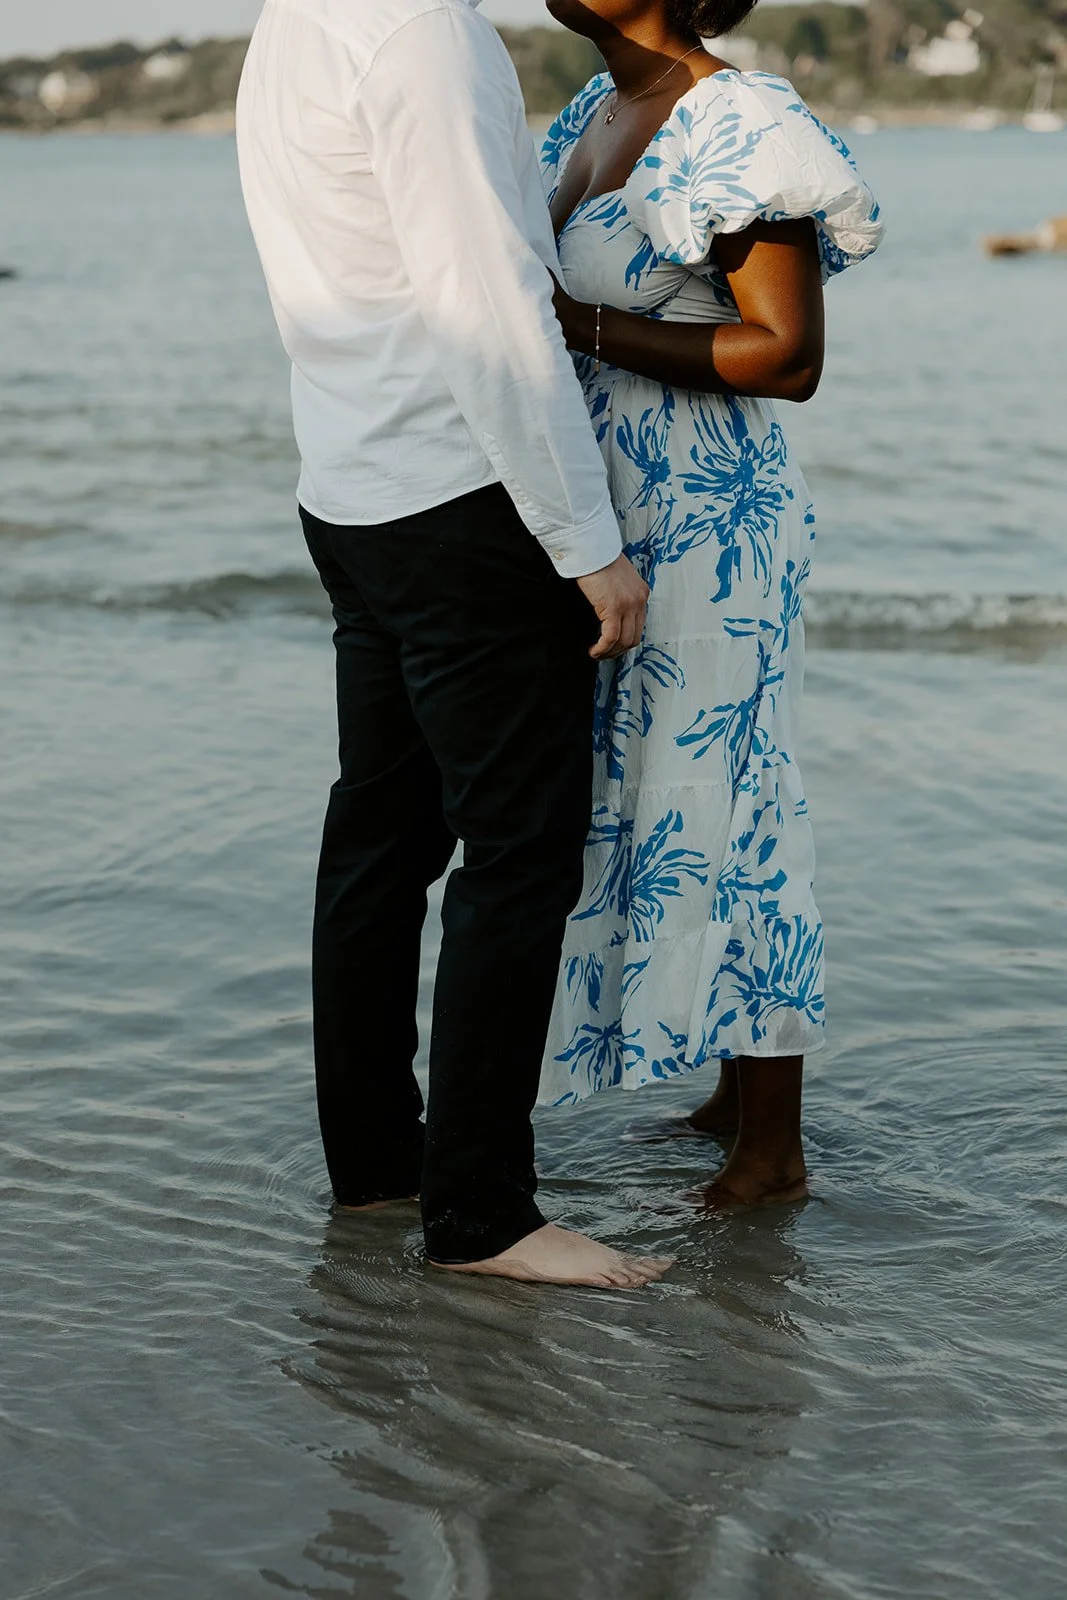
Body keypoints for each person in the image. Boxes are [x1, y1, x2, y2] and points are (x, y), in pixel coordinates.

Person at [235, 0, 675, 1288]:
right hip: (458, 495)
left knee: (379, 833)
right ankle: (481, 1213)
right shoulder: (421, 32)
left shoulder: (297, 19)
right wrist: (583, 537)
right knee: (518, 850)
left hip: (351, 482)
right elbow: (487, 303)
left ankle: (377, 1163)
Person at [537, 0, 883, 1203]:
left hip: (711, 522)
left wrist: (574, 322)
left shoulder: (738, 120)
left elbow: (784, 355)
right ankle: (732, 1092)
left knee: (730, 802)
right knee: (663, 793)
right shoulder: (595, 106)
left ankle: (772, 1151)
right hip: (623, 514)